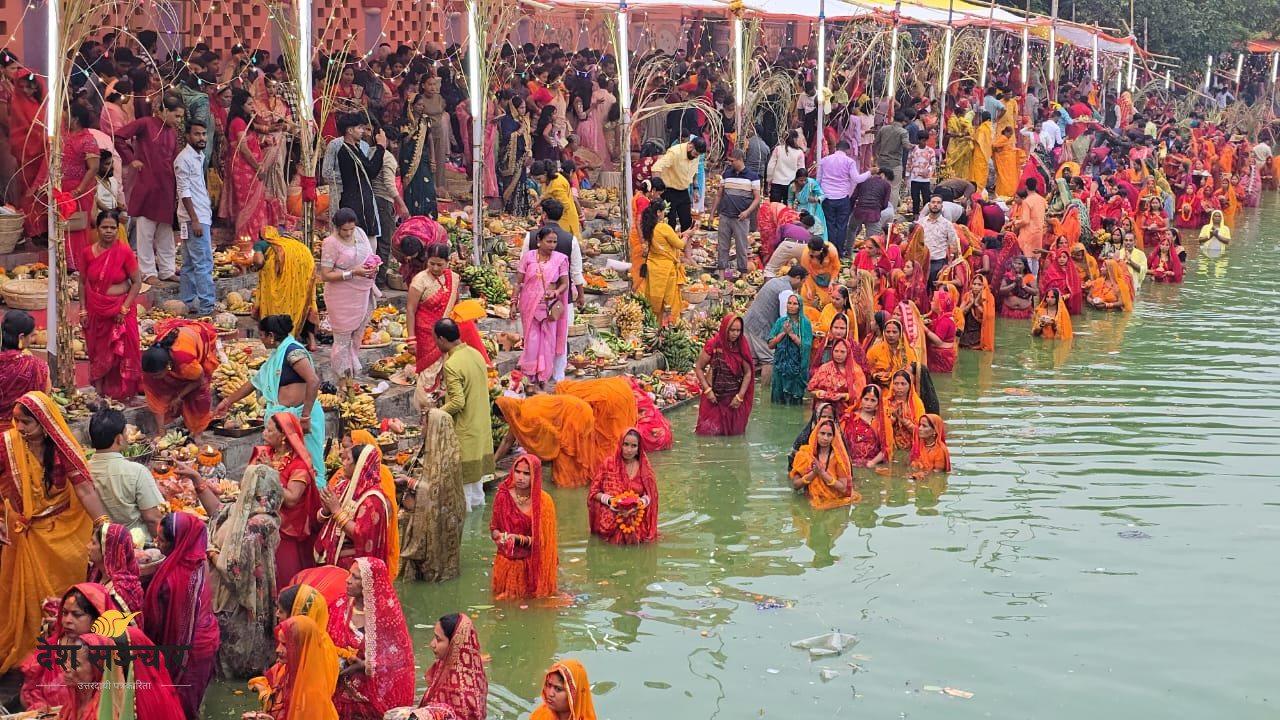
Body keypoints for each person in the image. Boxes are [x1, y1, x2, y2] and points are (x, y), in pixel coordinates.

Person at [0, 392, 111, 672]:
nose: (20, 428)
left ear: (44, 424)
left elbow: (84, 489)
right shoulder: (6, 445)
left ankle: (63, 653)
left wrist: (103, 525)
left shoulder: (60, 448)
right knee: (24, 599)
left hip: (62, 538)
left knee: (64, 599)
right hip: (22, 534)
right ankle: (32, 655)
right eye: (16, 421)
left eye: (26, 422)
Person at [199, 464, 285, 679]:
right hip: (261, 584)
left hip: (238, 595)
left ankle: (237, 672)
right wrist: (196, 480)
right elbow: (218, 510)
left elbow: (235, 571)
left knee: (239, 635)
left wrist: (211, 552)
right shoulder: (262, 515)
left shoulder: (255, 524)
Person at [215, 315, 325, 480]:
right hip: (283, 422)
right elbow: (253, 383)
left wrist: (305, 416)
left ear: (271, 336)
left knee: (309, 468)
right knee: (285, 468)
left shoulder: (293, 352)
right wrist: (227, 401)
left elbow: (313, 380)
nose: (261, 340)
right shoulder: (275, 357)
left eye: (261, 336)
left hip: (301, 419)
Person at [144, 512, 220, 718]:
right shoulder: (198, 560)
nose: (156, 543)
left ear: (178, 541)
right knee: (190, 701)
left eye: (161, 539)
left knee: (180, 703)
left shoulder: (174, 578)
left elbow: (159, 621)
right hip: (206, 639)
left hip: (189, 649)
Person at [329, 558, 415, 719]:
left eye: (356, 578)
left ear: (370, 583)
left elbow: (400, 661)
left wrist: (365, 666)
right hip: (338, 689)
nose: (348, 581)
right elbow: (323, 641)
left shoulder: (387, 616)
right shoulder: (339, 605)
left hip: (370, 697)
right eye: (349, 575)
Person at [18, 583, 118, 711]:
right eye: (64, 613)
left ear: (98, 618)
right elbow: (29, 691)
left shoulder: (107, 654)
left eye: (76, 615)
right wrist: (43, 709)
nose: (67, 620)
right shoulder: (51, 648)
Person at [247, 412, 320, 585]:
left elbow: (291, 499)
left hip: (286, 531)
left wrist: (271, 473)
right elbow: (246, 483)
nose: (264, 434)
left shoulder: (299, 464)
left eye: (269, 431)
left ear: (283, 437)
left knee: (284, 580)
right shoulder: (264, 454)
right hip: (259, 526)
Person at [408, 244, 491, 395]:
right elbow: (410, 310)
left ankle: (445, 412)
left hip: (448, 333)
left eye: (440, 264)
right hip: (426, 334)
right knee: (429, 376)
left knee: (449, 374)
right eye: (431, 264)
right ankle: (426, 412)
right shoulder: (420, 281)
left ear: (448, 262)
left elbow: (456, 305)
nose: (435, 268)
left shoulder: (453, 278)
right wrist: (411, 339)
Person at [76, 209, 142, 400]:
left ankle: (124, 392)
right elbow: (81, 282)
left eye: (113, 228)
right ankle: (99, 391)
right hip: (96, 308)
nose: (108, 231)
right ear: (97, 229)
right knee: (97, 349)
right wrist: (82, 309)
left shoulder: (124, 252)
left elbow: (136, 282)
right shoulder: (88, 253)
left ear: (117, 229)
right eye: (104, 227)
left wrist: (124, 308)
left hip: (121, 309)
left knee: (124, 350)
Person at [434, 319, 496, 506]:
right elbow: (472, 387)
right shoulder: (476, 354)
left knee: (463, 496)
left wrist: (435, 413)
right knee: (477, 493)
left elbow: (458, 402)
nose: (436, 344)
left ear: (443, 339)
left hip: (465, 431)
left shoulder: (452, 364)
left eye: (436, 339)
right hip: (481, 428)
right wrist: (447, 393)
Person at [399, 409, 465, 582]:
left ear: (435, 427)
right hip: (417, 516)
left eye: (424, 422)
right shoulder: (427, 449)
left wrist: (410, 482)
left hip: (439, 520)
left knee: (434, 573)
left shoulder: (450, 457)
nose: (421, 426)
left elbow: (438, 491)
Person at [320, 208, 381, 382]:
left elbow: (370, 257)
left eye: (351, 229)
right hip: (341, 296)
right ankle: (341, 380)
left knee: (357, 335)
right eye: (344, 230)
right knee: (342, 339)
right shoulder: (330, 243)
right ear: (337, 228)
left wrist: (372, 267)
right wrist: (352, 273)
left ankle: (351, 378)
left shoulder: (360, 234)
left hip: (362, 291)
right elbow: (326, 275)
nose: (348, 233)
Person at [87, 407, 164, 537]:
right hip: (135, 545)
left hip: (98, 544)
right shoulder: (136, 471)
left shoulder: (83, 471)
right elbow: (152, 518)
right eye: (125, 433)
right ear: (119, 439)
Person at [315, 443, 393, 570]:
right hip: (330, 561)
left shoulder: (373, 500)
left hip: (353, 569)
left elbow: (362, 535)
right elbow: (322, 519)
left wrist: (336, 511)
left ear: (360, 465)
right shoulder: (344, 486)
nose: (344, 463)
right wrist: (326, 509)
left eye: (348, 459)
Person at [490, 454, 558, 599]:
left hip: (532, 566)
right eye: (517, 471)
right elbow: (494, 528)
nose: (520, 477)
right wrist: (499, 537)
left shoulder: (544, 502)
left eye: (526, 473)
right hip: (506, 564)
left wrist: (517, 539)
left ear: (536, 475)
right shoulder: (502, 495)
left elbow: (543, 543)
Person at [245, 616, 340, 720]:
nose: (278, 649)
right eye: (280, 643)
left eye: (285, 645)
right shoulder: (284, 670)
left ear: (301, 647)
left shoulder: (311, 694)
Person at [140, 319, 220, 437]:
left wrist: (178, 397)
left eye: (157, 375)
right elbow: (155, 398)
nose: (155, 378)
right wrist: (161, 431)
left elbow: (199, 379)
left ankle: (197, 432)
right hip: (176, 357)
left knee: (198, 397)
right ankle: (161, 431)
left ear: (168, 367)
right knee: (155, 388)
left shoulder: (185, 362)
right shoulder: (151, 365)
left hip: (196, 344)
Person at [514, 227, 570, 389]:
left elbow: (565, 283)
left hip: (550, 306)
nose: (552, 245)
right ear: (539, 240)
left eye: (555, 242)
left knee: (548, 341)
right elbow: (519, 282)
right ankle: (530, 376)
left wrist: (556, 292)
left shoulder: (560, 259)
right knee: (531, 341)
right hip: (529, 304)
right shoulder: (528, 257)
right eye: (549, 241)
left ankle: (543, 376)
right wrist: (513, 302)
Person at [588, 428, 658, 544]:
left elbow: (651, 495)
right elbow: (594, 492)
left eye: (633, 446)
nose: (629, 450)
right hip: (611, 521)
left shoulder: (645, 469)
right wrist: (611, 501)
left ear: (638, 449)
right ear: (620, 444)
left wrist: (639, 504)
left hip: (637, 522)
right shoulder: (608, 464)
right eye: (625, 444)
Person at [743, 266, 809, 390]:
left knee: (751, 359)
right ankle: (765, 392)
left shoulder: (776, 280)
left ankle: (747, 391)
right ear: (797, 278)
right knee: (769, 360)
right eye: (803, 281)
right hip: (760, 328)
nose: (802, 285)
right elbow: (785, 318)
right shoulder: (786, 291)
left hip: (749, 322)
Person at [175, 118, 215, 315]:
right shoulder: (183, 159)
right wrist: (195, 219)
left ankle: (188, 302)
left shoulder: (197, 157)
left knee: (190, 263)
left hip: (198, 216)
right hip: (194, 219)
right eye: (197, 134)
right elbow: (184, 192)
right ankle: (207, 306)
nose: (201, 138)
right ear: (188, 136)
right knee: (203, 262)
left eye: (203, 134)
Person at [417, 613, 489, 720]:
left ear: (454, 644)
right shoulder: (445, 665)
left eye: (438, 639)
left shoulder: (462, 694)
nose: (432, 644)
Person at [693, 314, 755, 436]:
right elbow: (699, 368)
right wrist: (708, 391)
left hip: (733, 400)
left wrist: (740, 397)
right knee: (707, 434)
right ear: (725, 329)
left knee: (734, 436)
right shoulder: (713, 345)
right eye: (732, 330)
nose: (735, 334)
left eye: (738, 331)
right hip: (713, 398)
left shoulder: (741, 346)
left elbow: (748, 373)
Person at [252, 228, 318, 344]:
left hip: (287, 274)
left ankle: (279, 338)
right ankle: (311, 341)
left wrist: (257, 268)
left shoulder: (263, 243)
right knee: (301, 303)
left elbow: (258, 261)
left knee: (279, 304)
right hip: (305, 268)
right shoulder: (290, 243)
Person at [640, 198, 690, 323]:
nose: (664, 214)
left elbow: (666, 241)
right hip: (667, 272)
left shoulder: (649, 227)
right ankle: (672, 328)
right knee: (671, 303)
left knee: (655, 303)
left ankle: (654, 328)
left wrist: (683, 234)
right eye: (663, 211)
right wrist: (688, 236)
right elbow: (679, 244)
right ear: (658, 212)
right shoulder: (664, 227)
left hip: (653, 270)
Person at [790, 418, 858, 509]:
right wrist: (813, 473)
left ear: (834, 437)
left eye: (829, 435)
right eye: (822, 433)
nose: (825, 438)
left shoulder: (838, 458)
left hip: (834, 503)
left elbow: (844, 488)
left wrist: (822, 473)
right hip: (810, 501)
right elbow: (796, 485)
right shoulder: (804, 454)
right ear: (816, 434)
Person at [818, 140, 871, 254]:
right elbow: (857, 179)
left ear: (836, 148)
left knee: (829, 224)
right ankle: (840, 251)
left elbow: (819, 180)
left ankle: (830, 250)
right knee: (842, 225)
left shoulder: (824, 160)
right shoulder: (849, 162)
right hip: (842, 197)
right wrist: (870, 172)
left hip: (827, 197)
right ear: (847, 150)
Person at [0, 311, 50, 431]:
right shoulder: (37, 366)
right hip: (20, 433)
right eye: (32, 335)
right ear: (21, 337)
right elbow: (43, 396)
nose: (33, 339)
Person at [716, 149, 763, 278]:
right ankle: (721, 276)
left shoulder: (753, 177)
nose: (730, 163)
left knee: (742, 247)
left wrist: (747, 212)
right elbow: (719, 194)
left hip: (741, 218)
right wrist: (712, 213)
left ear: (739, 159)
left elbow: (757, 198)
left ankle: (743, 277)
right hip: (725, 215)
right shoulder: (726, 175)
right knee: (722, 246)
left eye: (732, 161)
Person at [87, 522, 143, 618]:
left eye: (93, 543)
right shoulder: (96, 573)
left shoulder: (121, 591)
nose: (87, 546)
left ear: (108, 550)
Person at [399, 91, 440, 219]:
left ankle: (428, 218)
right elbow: (400, 143)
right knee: (411, 189)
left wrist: (433, 159)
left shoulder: (425, 120)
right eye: (419, 105)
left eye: (423, 105)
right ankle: (412, 219)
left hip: (422, 159)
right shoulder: (404, 122)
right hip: (407, 160)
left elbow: (430, 140)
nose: (421, 107)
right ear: (411, 106)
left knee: (427, 188)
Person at [652, 136, 706, 230]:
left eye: (698, 155)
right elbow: (656, 167)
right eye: (695, 154)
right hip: (669, 191)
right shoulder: (675, 152)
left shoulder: (695, 156)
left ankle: (685, 244)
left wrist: (696, 188)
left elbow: (695, 171)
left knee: (687, 222)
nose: (696, 157)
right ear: (690, 147)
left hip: (683, 190)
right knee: (670, 223)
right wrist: (657, 190)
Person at [769, 293, 813, 405]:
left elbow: (806, 347)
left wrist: (792, 335)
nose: (791, 306)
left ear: (800, 306)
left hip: (797, 369)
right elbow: (770, 344)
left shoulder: (806, 324)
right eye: (789, 303)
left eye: (795, 304)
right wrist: (783, 333)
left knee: (795, 402)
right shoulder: (780, 322)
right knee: (777, 402)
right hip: (780, 367)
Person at [807, 338, 865, 418]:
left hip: (845, 412)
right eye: (836, 351)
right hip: (823, 411)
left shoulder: (856, 371)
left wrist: (844, 396)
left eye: (842, 352)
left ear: (848, 352)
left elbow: (861, 394)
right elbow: (810, 390)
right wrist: (818, 393)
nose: (838, 355)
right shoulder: (824, 368)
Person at [529, 660, 596, 720]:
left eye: (558, 689)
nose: (550, 693)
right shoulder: (540, 715)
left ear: (573, 694)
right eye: (548, 685)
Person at [918, 195, 962, 287]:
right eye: (933, 202)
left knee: (935, 290)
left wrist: (949, 264)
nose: (935, 205)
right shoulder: (921, 223)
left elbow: (954, 245)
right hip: (922, 261)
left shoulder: (947, 224)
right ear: (929, 205)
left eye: (938, 203)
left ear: (942, 206)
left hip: (938, 262)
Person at [841, 385, 888, 467]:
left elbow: (886, 449)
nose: (868, 404)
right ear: (861, 399)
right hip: (849, 463)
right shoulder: (848, 418)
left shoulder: (882, 422)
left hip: (872, 464)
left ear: (878, 403)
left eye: (873, 400)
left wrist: (873, 462)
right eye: (866, 399)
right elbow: (838, 442)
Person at [882, 369, 926, 457]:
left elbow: (922, 431)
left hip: (912, 449)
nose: (899, 387)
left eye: (903, 384)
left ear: (910, 386)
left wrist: (904, 421)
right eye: (896, 383)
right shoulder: (885, 403)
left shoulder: (917, 404)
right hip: (890, 449)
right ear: (892, 385)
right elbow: (879, 429)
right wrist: (893, 418)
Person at [848, 167, 894, 250]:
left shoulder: (863, 181)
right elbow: (885, 204)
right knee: (872, 239)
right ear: (883, 175)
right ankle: (868, 257)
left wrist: (851, 210)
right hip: (873, 214)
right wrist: (878, 209)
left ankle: (848, 251)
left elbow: (854, 197)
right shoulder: (886, 185)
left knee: (851, 229)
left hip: (859, 211)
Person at [1013, 179, 1047, 271]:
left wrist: (1016, 222)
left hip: (1028, 233)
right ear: (1035, 186)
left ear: (1026, 187)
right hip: (1038, 232)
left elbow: (1025, 220)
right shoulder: (1042, 200)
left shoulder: (1027, 201)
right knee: (1035, 258)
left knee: (1027, 257)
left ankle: (1029, 281)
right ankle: (1034, 281)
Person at [799, 234, 841, 308]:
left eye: (813, 252)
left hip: (828, 276)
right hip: (813, 276)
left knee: (828, 300)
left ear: (821, 250)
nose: (810, 253)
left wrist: (832, 281)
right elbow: (805, 272)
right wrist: (808, 288)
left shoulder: (831, 250)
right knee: (805, 295)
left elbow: (836, 267)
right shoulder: (806, 253)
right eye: (810, 250)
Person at [923, 289, 958, 372]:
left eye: (933, 301)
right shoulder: (945, 317)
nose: (930, 302)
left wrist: (925, 329)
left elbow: (938, 341)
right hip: (944, 355)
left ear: (939, 304)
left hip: (941, 356)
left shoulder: (944, 321)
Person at [1040, 248, 1083, 315]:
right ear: (1056, 258)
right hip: (1053, 302)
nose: (1061, 259)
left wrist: (1067, 296)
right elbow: (1044, 288)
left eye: (1064, 257)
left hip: (1068, 302)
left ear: (1068, 258)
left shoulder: (1072, 272)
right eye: (1059, 257)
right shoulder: (1051, 271)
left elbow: (1077, 290)